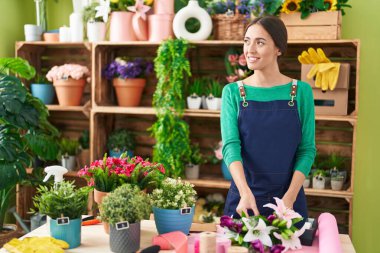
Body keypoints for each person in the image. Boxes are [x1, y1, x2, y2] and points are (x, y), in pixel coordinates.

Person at [221, 16, 316, 226]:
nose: (250, 49)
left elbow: (307, 149)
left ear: (278, 49)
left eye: (260, 42)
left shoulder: (300, 92)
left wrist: (289, 198)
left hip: (288, 202)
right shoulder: (233, 93)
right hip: (244, 201)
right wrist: (245, 193)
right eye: (247, 41)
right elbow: (230, 148)